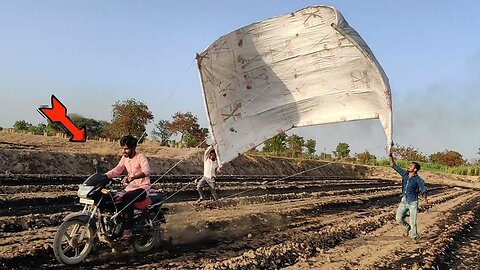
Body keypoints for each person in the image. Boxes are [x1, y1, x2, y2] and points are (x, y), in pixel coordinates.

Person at [106, 135, 151, 240]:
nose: (124, 151)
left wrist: (133, 177)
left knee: (128, 198)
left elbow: (147, 171)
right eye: (122, 148)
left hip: (142, 187)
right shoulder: (124, 158)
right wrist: (104, 176)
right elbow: (117, 170)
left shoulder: (140, 157)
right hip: (130, 188)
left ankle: (127, 229)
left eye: (126, 148)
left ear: (133, 148)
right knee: (115, 198)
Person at [389, 152, 428, 241]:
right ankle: (407, 226)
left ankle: (414, 237)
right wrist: (390, 155)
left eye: (411, 166)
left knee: (413, 222)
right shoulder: (405, 174)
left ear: (415, 170)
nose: (408, 167)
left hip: (413, 202)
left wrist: (425, 198)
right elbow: (393, 165)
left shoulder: (418, 179)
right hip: (404, 201)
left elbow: (423, 188)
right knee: (398, 219)